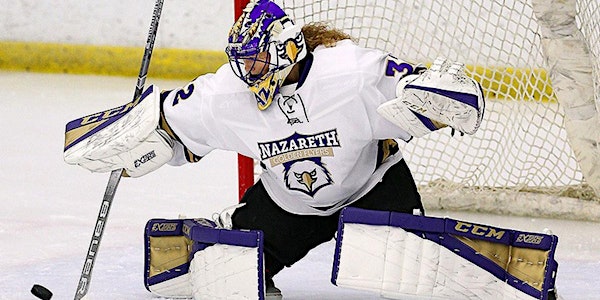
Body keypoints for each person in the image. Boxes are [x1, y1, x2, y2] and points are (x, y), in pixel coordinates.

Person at [63, 0, 484, 298]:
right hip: (287, 206)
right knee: (220, 279)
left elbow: (416, 90)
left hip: (372, 188)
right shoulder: (226, 94)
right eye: (241, 63)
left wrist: (437, 94)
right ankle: (235, 230)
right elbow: (167, 123)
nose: (248, 74)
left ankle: (456, 260)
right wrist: (131, 132)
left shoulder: (350, 73)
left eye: (256, 62)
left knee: (407, 275)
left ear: (287, 48)